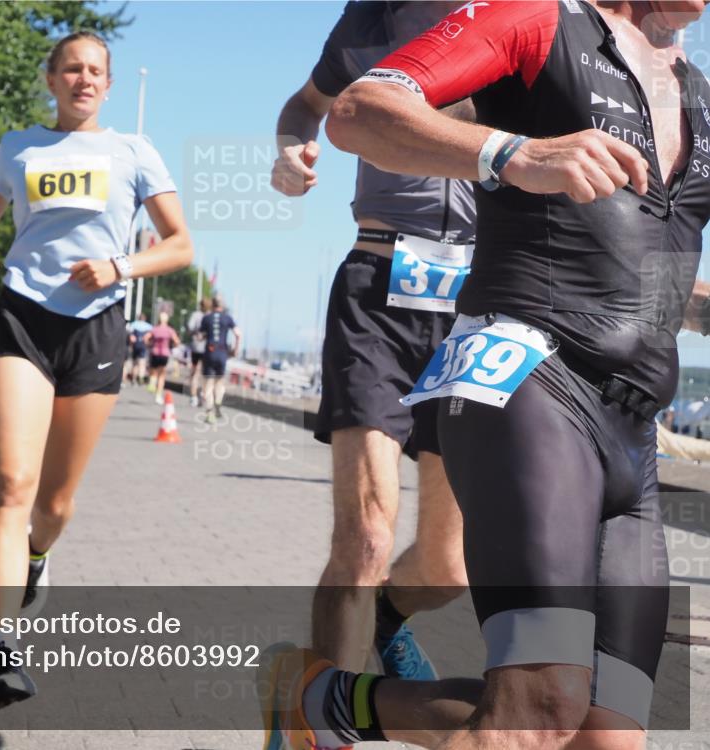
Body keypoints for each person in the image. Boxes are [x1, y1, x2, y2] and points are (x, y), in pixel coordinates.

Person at [264, 0, 710, 748]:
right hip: (496, 349)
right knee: (529, 705)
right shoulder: (525, 20)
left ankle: (328, 694)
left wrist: (686, 312)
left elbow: (642, 254)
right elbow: (349, 110)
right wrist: (511, 154)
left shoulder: (687, 88)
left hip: (615, 414)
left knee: (600, 730)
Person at [0, 31, 192, 710]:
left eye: (94, 71)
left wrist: (120, 266)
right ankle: (2, 649)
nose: (83, 79)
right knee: (12, 485)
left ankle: (37, 556)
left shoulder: (134, 152)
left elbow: (180, 245)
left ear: (107, 86)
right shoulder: (18, 148)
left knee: (54, 504)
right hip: (22, 318)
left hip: (96, 328)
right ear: (51, 79)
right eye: (71, 69)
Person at [271, 0, 473, 680]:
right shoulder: (371, 17)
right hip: (378, 288)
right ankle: (320, 714)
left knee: (449, 568)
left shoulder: (522, 19)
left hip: (476, 306)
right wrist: (290, 150)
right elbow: (305, 105)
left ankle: (383, 620)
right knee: (365, 538)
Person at [200, 295, 241, 422]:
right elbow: (238, 334)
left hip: (210, 352)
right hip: (222, 352)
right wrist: (235, 349)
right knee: (220, 381)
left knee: (208, 383)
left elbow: (200, 336)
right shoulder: (228, 318)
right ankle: (218, 401)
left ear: (212, 305)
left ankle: (210, 413)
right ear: (222, 305)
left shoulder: (206, 318)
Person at [144, 310, 180, 404]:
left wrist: (149, 344)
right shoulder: (170, 330)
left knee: (153, 371)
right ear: (167, 320)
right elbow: (177, 341)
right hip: (164, 353)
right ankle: (158, 395)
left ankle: (152, 383)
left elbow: (146, 337)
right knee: (162, 375)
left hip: (154, 352)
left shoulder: (155, 329)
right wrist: (173, 346)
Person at [187, 297, 211, 406]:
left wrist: (195, 334)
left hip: (196, 347)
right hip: (207, 348)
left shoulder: (195, 315)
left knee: (195, 372)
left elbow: (190, 328)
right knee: (205, 373)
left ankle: (193, 397)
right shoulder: (210, 316)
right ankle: (203, 394)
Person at [127, 312, 153, 386]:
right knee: (142, 363)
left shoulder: (133, 324)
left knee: (135, 363)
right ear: (144, 318)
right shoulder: (148, 326)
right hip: (143, 346)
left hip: (135, 346)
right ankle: (141, 379)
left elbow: (130, 335)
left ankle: (134, 379)